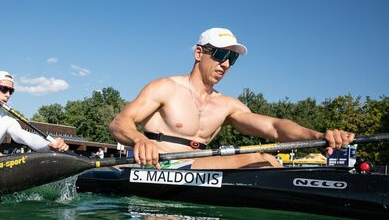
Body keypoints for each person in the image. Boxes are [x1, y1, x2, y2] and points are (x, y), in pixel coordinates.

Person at [109, 27, 356, 169]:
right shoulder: (165, 87)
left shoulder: (227, 105)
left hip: (200, 169)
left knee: (267, 162)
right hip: (159, 167)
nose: (225, 64)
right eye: (219, 54)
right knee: (263, 162)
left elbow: (274, 127)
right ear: (198, 53)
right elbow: (120, 123)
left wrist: (318, 136)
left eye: (232, 59)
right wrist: (140, 141)